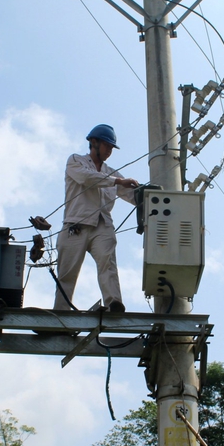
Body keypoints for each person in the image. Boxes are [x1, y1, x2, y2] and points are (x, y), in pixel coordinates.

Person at [54, 124, 139, 312]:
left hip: (103, 226)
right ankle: (60, 313)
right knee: (67, 275)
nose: (109, 151)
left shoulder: (112, 173)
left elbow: (132, 196)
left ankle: (113, 303)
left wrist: (152, 198)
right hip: (76, 225)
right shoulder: (76, 161)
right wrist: (117, 181)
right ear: (94, 142)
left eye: (111, 147)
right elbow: (87, 178)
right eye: (107, 146)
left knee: (108, 264)